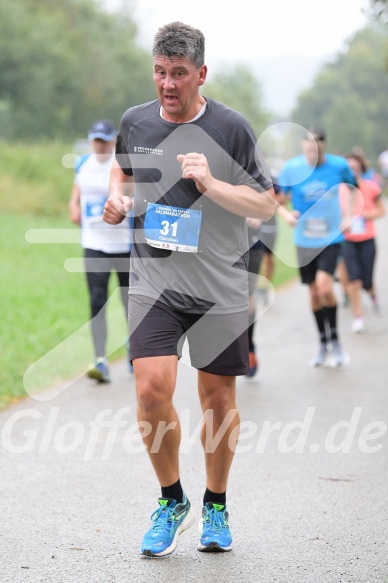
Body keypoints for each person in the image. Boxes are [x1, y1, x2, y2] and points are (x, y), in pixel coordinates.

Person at [103, 22, 275, 556]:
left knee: (217, 398)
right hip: (154, 280)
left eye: (179, 74)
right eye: (160, 72)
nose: (168, 84)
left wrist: (212, 184)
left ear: (201, 73)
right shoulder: (135, 122)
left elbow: (265, 204)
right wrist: (117, 199)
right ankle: (172, 499)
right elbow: (121, 172)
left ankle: (216, 506)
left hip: (219, 284)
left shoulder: (231, 128)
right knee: (151, 387)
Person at [277, 127, 357, 367]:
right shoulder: (292, 168)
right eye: (308, 147)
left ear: (323, 146)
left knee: (324, 288)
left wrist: (349, 217)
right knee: (313, 293)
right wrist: (286, 215)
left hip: (331, 238)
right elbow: (276, 199)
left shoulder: (338, 165)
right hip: (304, 240)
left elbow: (355, 190)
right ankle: (323, 343)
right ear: (303, 146)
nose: (312, 152)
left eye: (316, 148)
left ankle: (336, 341)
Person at [69, 120, 132, 383]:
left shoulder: (122, 166)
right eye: (96, 140)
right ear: (90, 140)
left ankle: (134, 352)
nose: (100, 145)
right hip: (94, 245)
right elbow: (76, 196)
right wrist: (73, 208)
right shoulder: (82, 163)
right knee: (97, 301)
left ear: (113, 141)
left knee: (130, 303)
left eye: (105, 140)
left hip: (124, 246)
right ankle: (99, 359)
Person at [339, 152, 385, 332]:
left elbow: (382, 210)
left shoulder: (371, 187)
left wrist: (368, 215)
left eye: (354, 167)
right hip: (349, 241)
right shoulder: (340, 189)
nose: (351, 170)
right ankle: (359, 316)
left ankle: (373, 295)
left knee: (366, 282)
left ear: (360, 168)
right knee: (354, 281)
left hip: (367, 239)